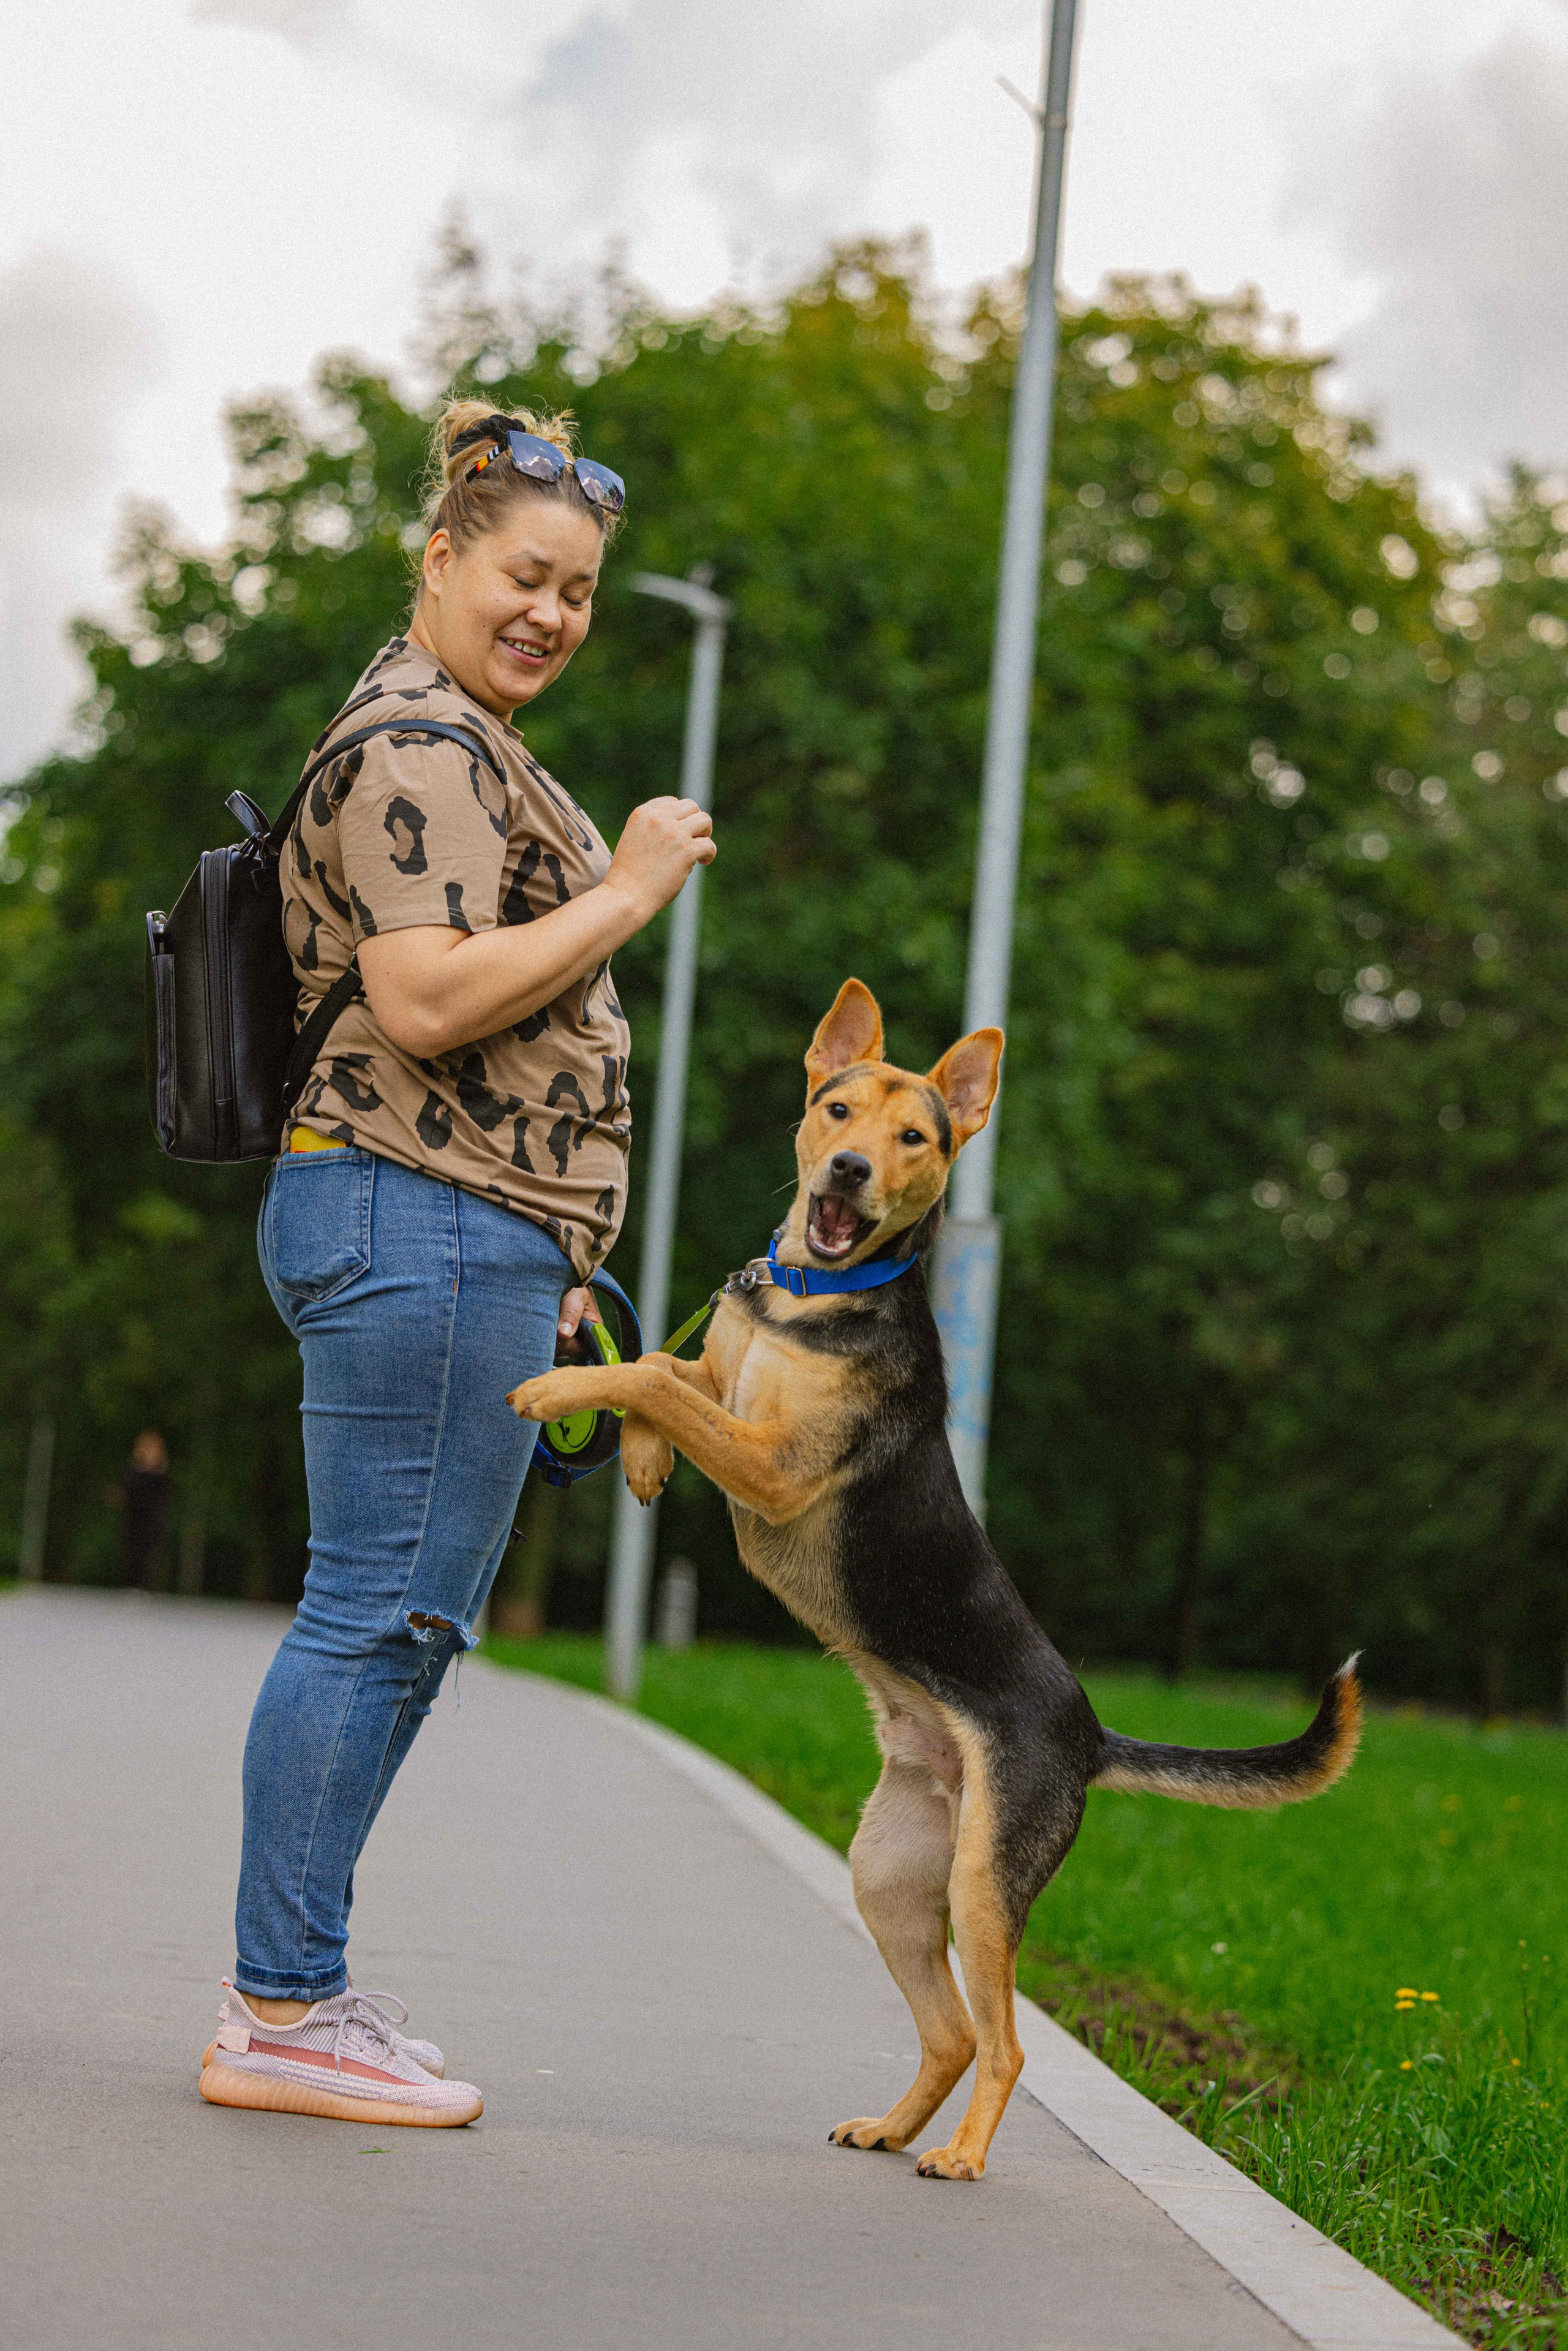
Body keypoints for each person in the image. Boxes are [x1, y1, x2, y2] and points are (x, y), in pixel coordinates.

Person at [198, 402, 714, 2129]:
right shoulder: (418, 744)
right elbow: (424, 1000)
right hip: (410, 1211)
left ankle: (303, 1981)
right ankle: (281, 2004)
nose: (553, 613)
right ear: (441, 556)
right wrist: (631, 888)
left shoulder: (461, 734)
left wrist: (556, 1239)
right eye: (523, 574)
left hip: (459, 1222)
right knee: (376, 1614)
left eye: (577, 589)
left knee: (408, 1617)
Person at [116, 1428, 170, 1590]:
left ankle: (145, 1585)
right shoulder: (133, 1468)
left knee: (149, 1552)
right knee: (132, 1550)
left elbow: (163, 1492)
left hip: (152, 1518)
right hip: (134, 1516)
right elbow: (128, 1488)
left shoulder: (160, 1470)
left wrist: (156, 1468)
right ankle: (130, 1584)